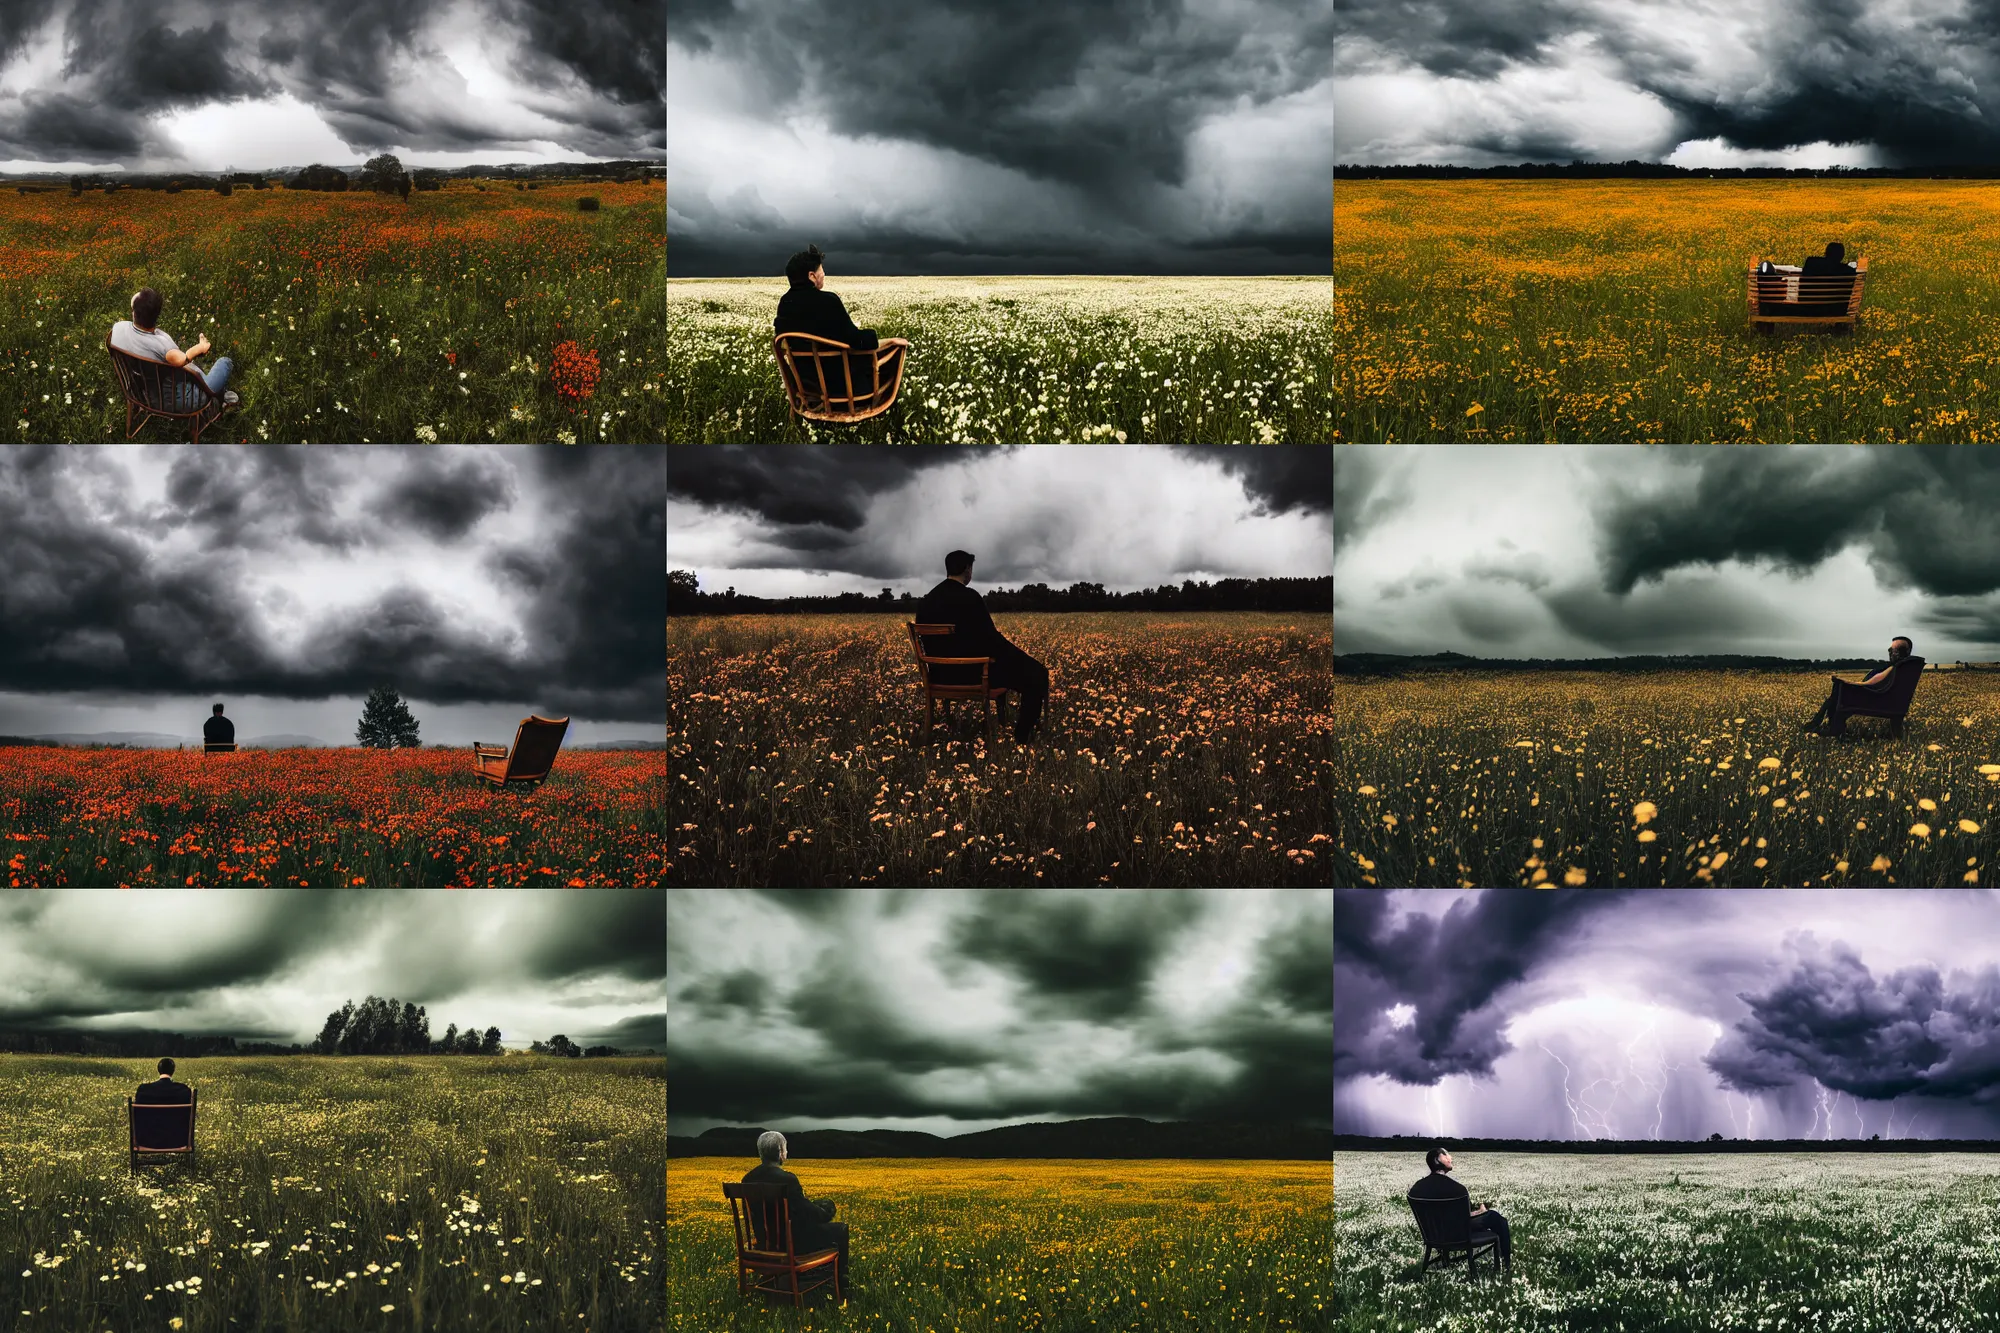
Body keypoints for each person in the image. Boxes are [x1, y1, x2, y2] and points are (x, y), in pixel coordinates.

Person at [914, 550, 1050, 742]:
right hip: (972, 674)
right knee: (1037, 674)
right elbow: (992, 640)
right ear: (967, 569)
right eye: (971, 568)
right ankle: (1023, 736)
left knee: (1021, 669)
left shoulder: (926, 602)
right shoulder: (969, 597)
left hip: (939, 675)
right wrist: (1020, 658)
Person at [774, 245, 907, 406]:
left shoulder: (784, 304)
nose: (824, 275)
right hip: (845, 391)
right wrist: (888, 340)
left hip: (809, 389)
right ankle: (887, 413)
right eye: (821, 271)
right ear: (812, 276)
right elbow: (858, 341)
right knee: (893, 352)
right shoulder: (828, 301)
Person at [742, 1131, 850, 1295]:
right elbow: (807, 1214)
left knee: (816, 1213)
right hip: (790, 1245)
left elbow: (797, 1208)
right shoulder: (788, 1179)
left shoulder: (747, 1179)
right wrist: (826, 1212)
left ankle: (809, 1275)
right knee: (840, 1229)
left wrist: (816, 1206)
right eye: (785, 1149)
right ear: (780, 1152)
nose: (787, 1152)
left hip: (764, 1243)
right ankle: (841, 1285)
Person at [110, 288, 239, 411]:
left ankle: (222, 395)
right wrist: (200, 347)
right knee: (225, 362)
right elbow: (181, 360)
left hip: (139, 392)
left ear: (134, 311)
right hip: (176, 400)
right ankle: (221, 397)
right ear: (157, 314)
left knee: (193, 371)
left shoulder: (118, 328)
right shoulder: (163, 345)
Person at [1410, 1146, 1511, 1268]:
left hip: (1434, 1237)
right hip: (1458, 1236)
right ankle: (1506, 1262)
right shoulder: (1458, 1189)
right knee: (1495, 1217)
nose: (1450, 1157)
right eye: (1446, 1154)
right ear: (1439, 1159)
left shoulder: (1416, 1189)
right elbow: (1464, 1217)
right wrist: (1481, 1211)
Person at [1803, 636, 1915, 736]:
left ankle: (1830, 727)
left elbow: (1869, 683)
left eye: (1893, 650)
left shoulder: (1895, 668)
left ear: (1902, 653)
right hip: (1882, 698)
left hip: (1875, 700)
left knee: (1838, 688)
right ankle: (1825, 724)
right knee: (1836, 692)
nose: (1890, 652)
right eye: (1890, 650)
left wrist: (1843, 681)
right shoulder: (1904, 667)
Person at [133, 1057, 194, 1150]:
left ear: (159, 1070)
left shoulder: (143, 1091)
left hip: (146, 1141)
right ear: (173, 1071)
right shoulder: (184, 1091)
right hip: (178, 1141)